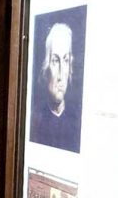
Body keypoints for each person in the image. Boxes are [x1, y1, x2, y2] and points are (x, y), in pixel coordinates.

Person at [29, 22, 82, 153]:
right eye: (55, 61)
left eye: (65, 60)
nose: (60, 74)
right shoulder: (35, 120)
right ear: (45, 69)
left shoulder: (77, 120)